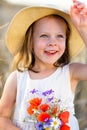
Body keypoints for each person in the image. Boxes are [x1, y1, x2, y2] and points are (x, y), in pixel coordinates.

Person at [0, 0, 87, 130]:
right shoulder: (18, 79)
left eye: (59, 36)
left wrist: (82, 28)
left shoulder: (70, 72)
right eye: (44, 36)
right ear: (30, 42)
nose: (52, 42)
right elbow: (2, 118)